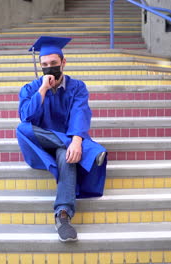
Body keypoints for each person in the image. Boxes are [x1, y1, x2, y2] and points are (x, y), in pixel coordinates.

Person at [16, 36, 107, 243]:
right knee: (22, 129)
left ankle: (63, 216)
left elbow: (80, 113)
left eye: (54, 64)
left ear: (63, 63)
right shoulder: (30, 88)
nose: (49, 69)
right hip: (40, 146)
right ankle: (89, 151)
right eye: (45, 65)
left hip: (65, 148)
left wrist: (75, 141)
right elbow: (26, 117)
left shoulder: (77, 87)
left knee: (66, 156)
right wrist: (43, 90)